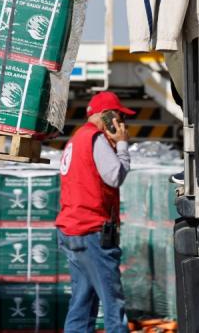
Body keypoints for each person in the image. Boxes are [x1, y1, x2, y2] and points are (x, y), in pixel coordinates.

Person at [56, 91, 134, 333]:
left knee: (82, 305)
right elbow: (115, 176)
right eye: (119, 117)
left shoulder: (76, 139)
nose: (122, 123)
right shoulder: (95, 138)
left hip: (72, 230)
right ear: (106, 116)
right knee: (113, 305)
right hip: (91, 232)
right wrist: (122, 144)